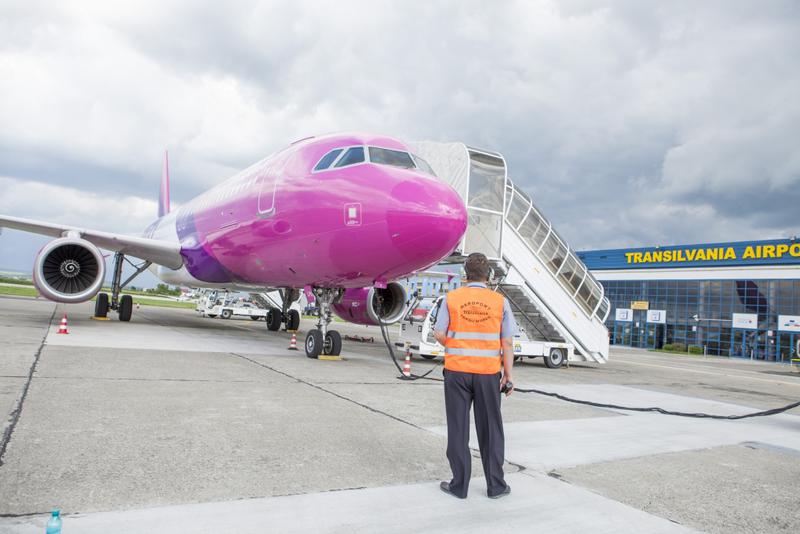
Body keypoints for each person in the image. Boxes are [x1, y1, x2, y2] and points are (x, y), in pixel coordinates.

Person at [434, 252, 516, 499]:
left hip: (457, 373)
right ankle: (496, 486)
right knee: (491, 429)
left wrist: (456, 346)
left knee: (458, 428)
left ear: (464, 274)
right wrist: (508, 375)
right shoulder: (500, 302)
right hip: (488, 374)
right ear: (489, 275)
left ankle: (459, 486)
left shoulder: (451, 299)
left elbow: (439, 333)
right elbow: (508, 343)